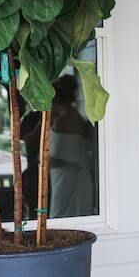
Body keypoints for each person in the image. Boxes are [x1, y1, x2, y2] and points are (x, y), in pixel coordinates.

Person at [48, 74, 95, 218]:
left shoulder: (62, 123)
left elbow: (50, 159)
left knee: (60, 218)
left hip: (67, 180)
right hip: (76, 177)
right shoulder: (77, 119)